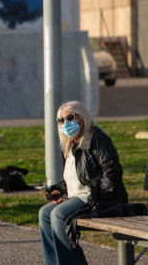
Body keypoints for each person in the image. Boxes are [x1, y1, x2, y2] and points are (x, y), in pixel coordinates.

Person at [38, 101, 128, 265]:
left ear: (82, 117)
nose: (66, 123)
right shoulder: (70, 144)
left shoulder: (97, 137)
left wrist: (99, 196)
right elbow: (73, 177)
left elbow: (112, 170)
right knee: (45, 213)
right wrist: (60, 190)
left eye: (70, 117)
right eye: (61, 120)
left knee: (58, 214)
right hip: (77, 197)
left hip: (96, 197)